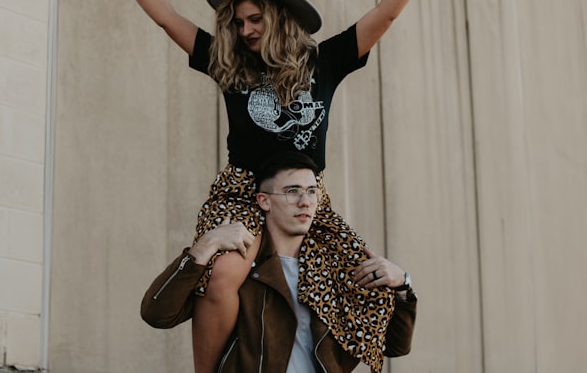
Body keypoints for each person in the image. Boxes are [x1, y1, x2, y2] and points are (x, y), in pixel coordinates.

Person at [78, 0, 473, 372]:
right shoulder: (230, 67)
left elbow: (384, 14)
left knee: (365, 281)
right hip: (243, 193)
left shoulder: (323, 63)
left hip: (303, 197)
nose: (244, 30)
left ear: (282, 17)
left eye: (255, 20)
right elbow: (167, 17)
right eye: (238, 22)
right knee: (225, 272)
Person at [141, 153, 417, 372]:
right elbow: (156, 313)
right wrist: (205, 246)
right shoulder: (241, 271)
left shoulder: (335, 274)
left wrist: (403, 285)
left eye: (311, 191)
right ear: (264, 201)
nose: (305, 202)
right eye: (292, 191)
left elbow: (394, 346)